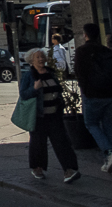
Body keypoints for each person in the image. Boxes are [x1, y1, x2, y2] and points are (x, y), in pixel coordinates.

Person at [20, 48, 80, 183]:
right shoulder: (29, 76)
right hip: (38, 116)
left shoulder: (50, 73)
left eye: (42, 56)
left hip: (54, 115)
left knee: (62, 142)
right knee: (38, 144)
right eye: (38, 57)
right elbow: (23, 94)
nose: (41, 59)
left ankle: (69, 170)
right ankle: (37, 168)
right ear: (31, 61)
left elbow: (58, 89)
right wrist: (34, 89)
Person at [74, 22, 112, 173]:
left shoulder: (82, 51)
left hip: (93, 94)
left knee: (91, 123)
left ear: (85, 35)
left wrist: (86, 91)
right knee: (108, 124)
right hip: (111, 94)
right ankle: (109, 160)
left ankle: (109, 153)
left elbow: (79, 74)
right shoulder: (107, 51)